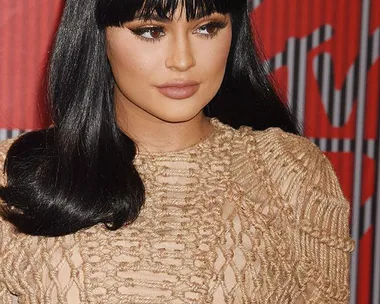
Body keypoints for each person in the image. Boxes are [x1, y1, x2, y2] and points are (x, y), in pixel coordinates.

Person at [0, 0, 354, 303]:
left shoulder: (290, 173)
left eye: (207, 27)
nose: (183, 60)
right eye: (151, 30)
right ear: (98, 34)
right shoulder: (11, 178)